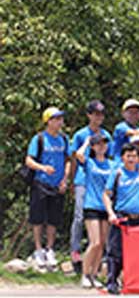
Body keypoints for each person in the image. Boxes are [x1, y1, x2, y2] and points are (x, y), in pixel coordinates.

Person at [25, 107, 71, 272]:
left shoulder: (64, 139)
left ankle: (50, 249)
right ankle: (38, 249)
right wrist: (43, 168)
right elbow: (29, 160)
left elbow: (68, 159)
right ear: (48, 121)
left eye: (61, 118)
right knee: (37, 218)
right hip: (40, 182)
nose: (60, 122)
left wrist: (65, 179)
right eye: (56, 119)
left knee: (54, 219)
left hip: (58, 184)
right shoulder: (39, 139)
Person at [68, 100, 112, 275]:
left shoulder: (106, 135)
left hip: (100, 180)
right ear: (89, 115)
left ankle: (98, 260)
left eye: (101, 114)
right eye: (95, 114)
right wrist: (71, 180)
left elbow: (109, 156)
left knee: (102, 223)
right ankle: (75, 249)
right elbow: (74, 157)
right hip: (82, 178)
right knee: (80, 216)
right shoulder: (81, 134)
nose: (98, 117)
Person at [103, 144, 139, 295]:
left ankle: (132, 281)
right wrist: (111, 213)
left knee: (137, 253)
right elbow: (106, 194)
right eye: (128, 156)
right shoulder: (117, 173)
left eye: (134, 156)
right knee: (115, 252)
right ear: (122, 157)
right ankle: (112, 282)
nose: (131, 159)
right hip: (121, 217)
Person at [75, 133, 114, 288]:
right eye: (98, 144)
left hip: (106, 207)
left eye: (104, 143)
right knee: (95, 242)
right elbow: (78, 155)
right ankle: (85, 274)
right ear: (93, 146)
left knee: (102, 243)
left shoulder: (112, 164)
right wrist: (86, 142)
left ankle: (94, 274)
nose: (102, 146)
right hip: (91, 204)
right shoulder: (90, 163)